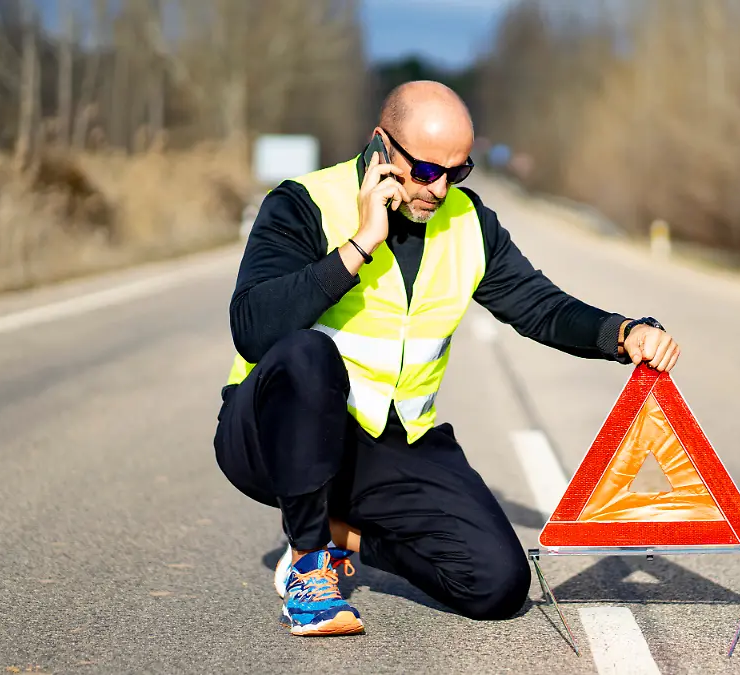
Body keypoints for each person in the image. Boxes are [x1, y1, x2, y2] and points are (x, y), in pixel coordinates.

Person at [213, 80, 681, 637]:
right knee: (308, 351)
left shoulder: (468, 222)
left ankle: (342, 536)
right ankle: (311, 564)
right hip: (269, 437)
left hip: (384, 447)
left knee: (498, 584)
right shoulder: (303, 202)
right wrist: (360, 244)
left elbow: (540, 306)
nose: (438, 190)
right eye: (427, 171)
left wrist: (622, 334)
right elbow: (252, 328)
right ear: (382, 148)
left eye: (457, 171)